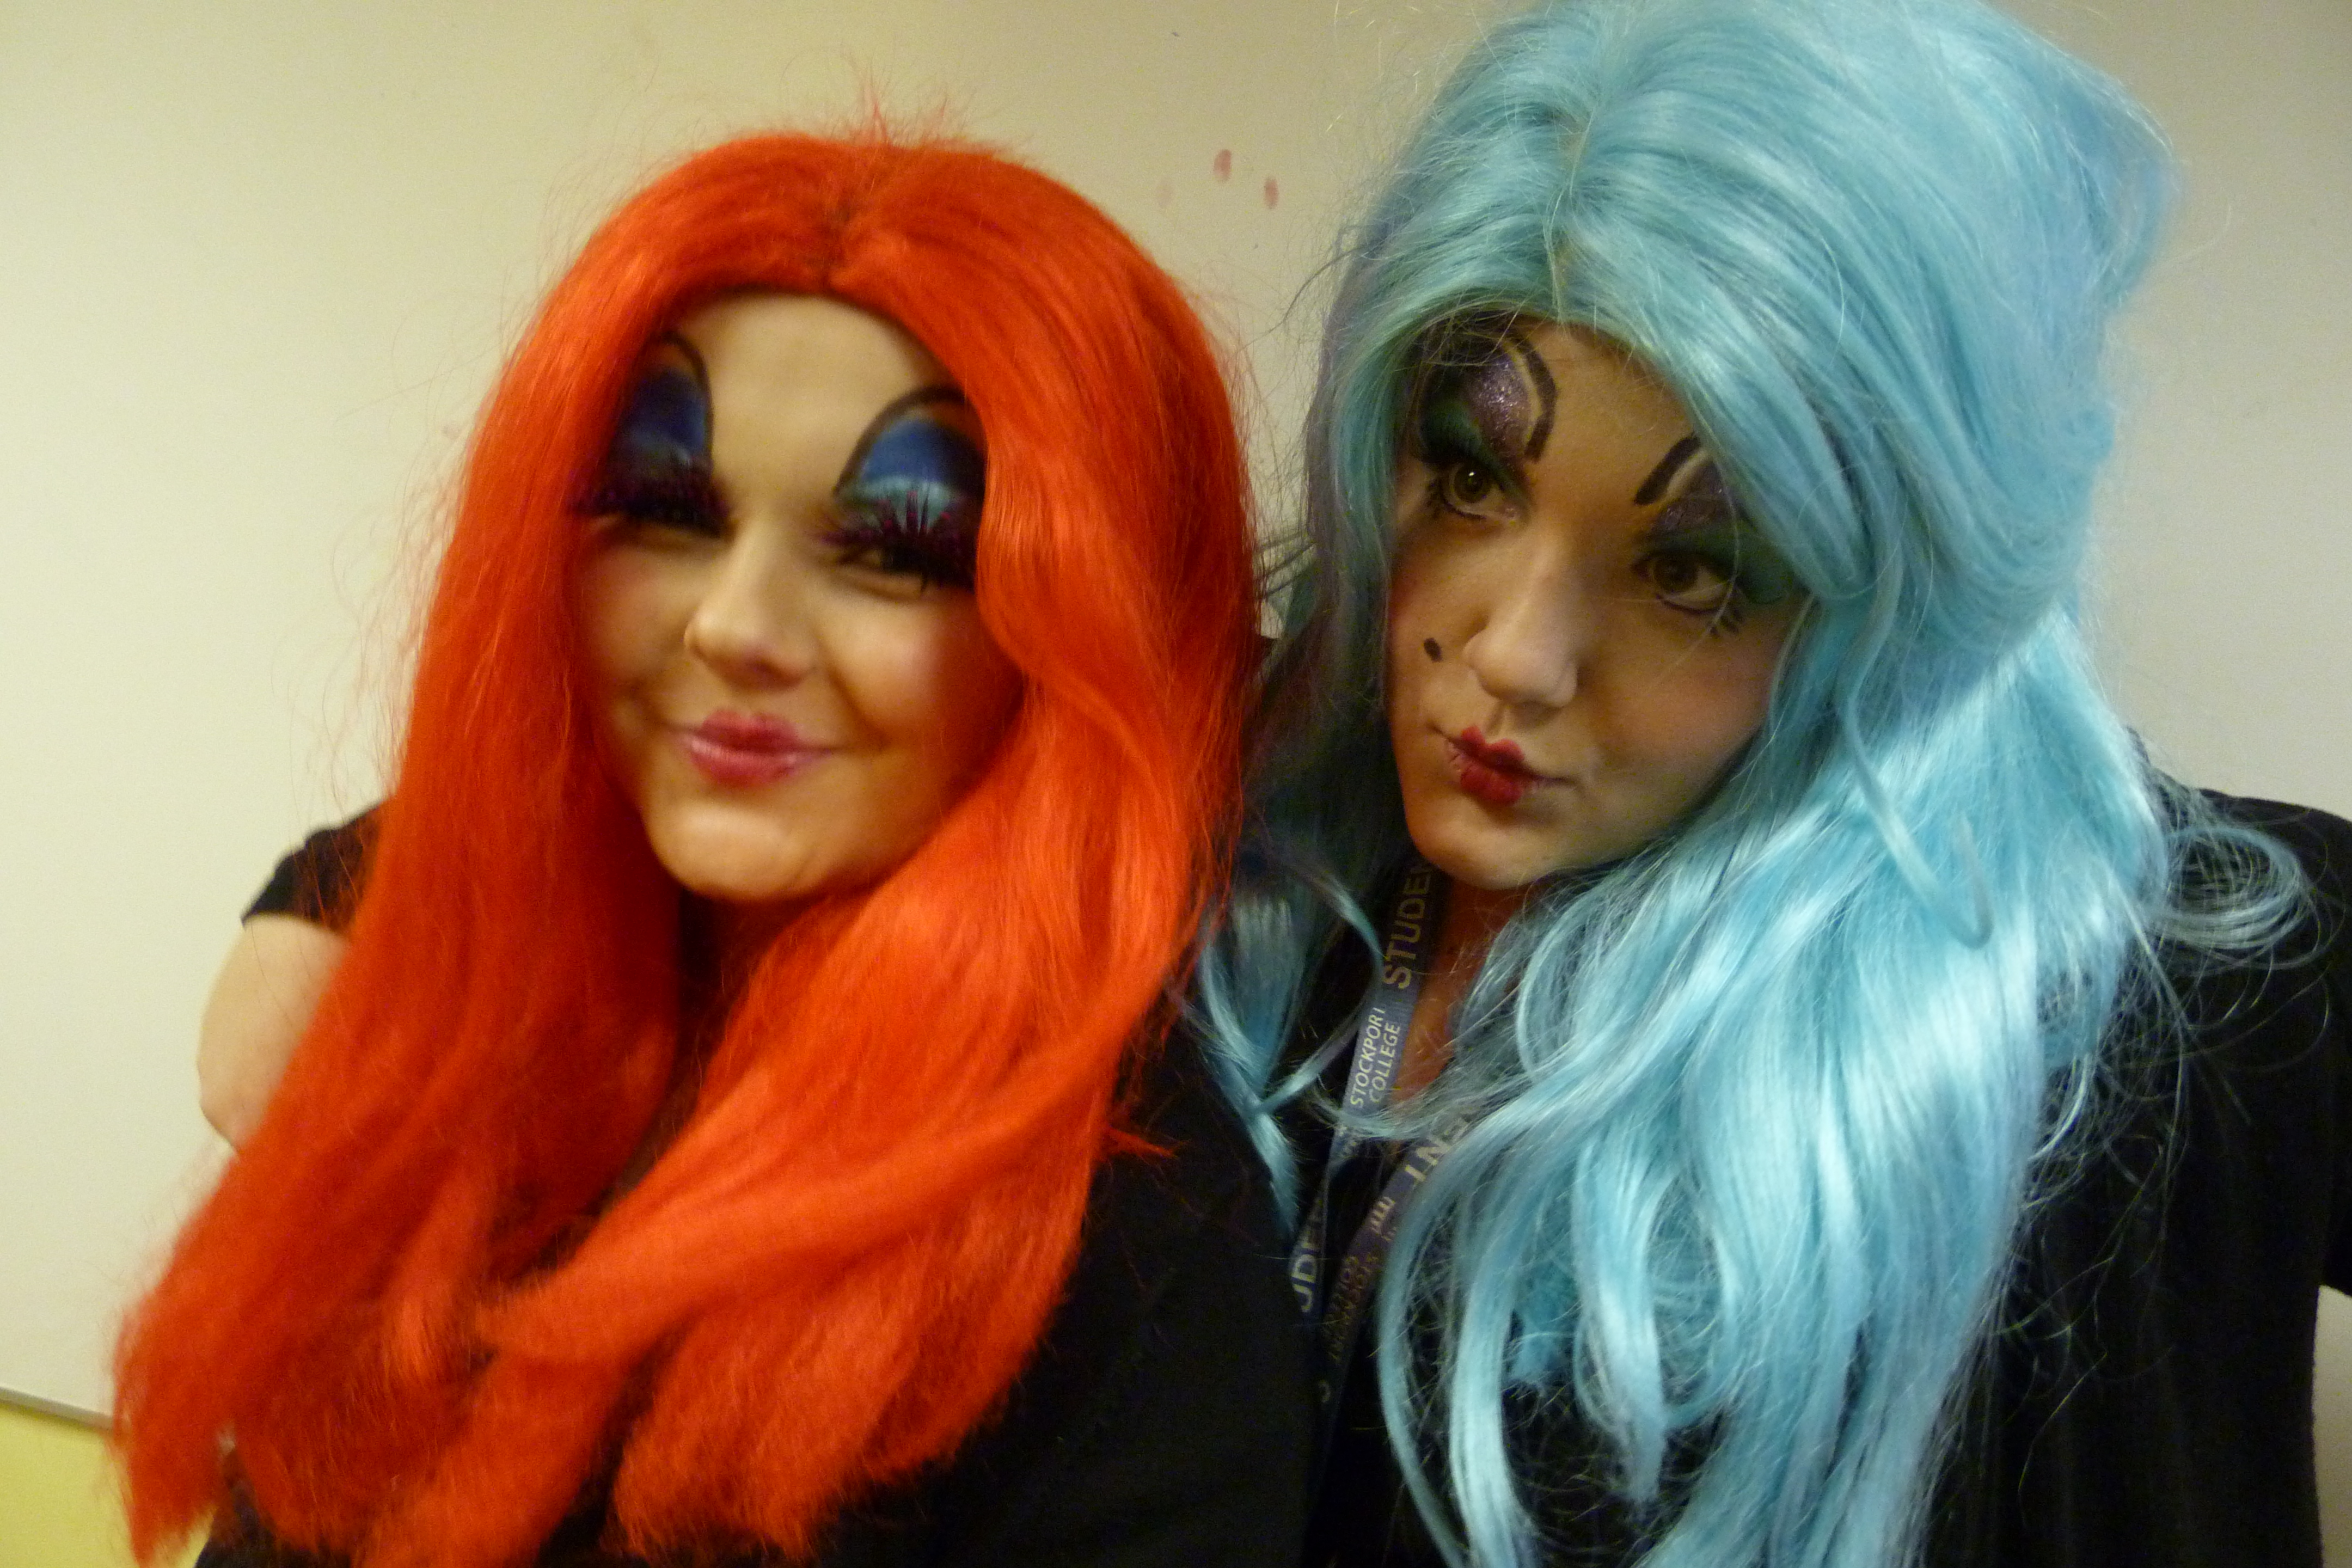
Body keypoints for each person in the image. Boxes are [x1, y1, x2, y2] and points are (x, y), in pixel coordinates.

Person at [1195, 0, 2352, 1563]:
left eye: (1695, 568)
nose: (1516, 657)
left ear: (1892, 605)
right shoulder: (1235, 825)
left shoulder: (2175, 982)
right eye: (1470, 476)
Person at [119, 133, 1313, 1567]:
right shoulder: (460, 1027)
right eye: (669, 511)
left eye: (898, 545)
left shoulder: (1141, 1270)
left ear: (1082, 631)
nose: (734, 626)